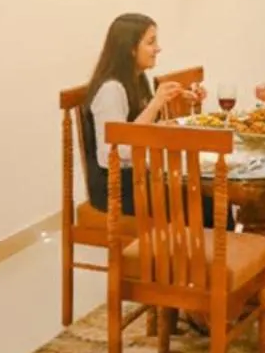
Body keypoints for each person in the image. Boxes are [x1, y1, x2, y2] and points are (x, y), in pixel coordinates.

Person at [82, 13, 200, 215]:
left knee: (202, 195)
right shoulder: (111, 89)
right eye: (151, 42)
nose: (158, 48)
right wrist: (155, 104)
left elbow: (144, 128)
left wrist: (184, 103)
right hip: (117, 190)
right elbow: (113, 154)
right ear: (130, 49)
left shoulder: (137, 78)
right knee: (203, 204)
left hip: (139, 175)